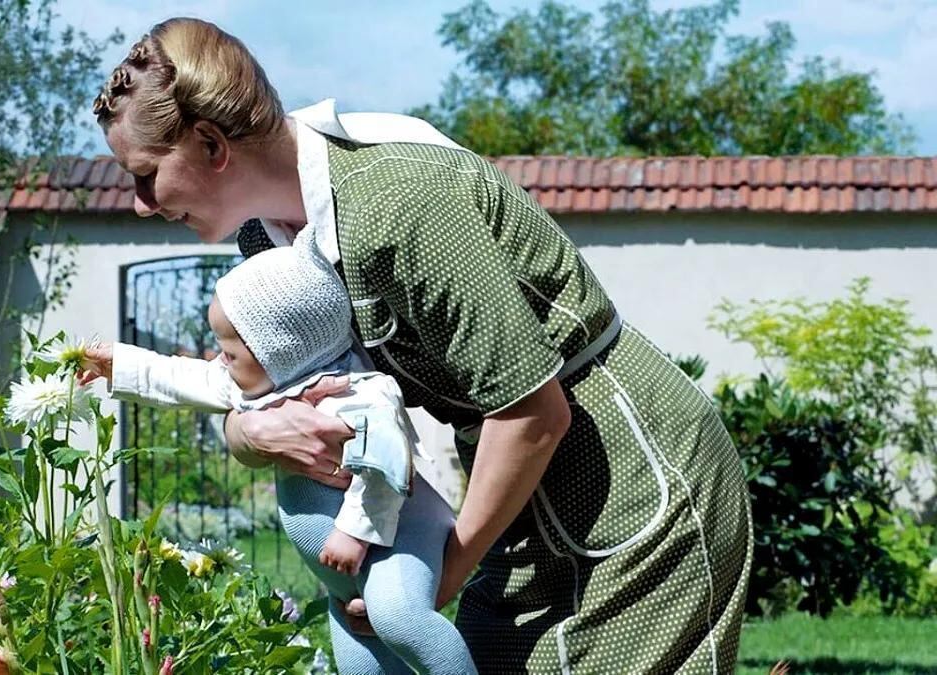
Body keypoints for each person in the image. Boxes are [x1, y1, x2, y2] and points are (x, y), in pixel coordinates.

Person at [84, 17, 753, 674]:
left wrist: (425, 586)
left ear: (209, 143)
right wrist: (250, 434)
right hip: (520, 494)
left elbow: (532, 414)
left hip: (629, 474)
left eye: (147, 174)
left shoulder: (398, 204)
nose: (142, 203)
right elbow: (256, 391)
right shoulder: (267, 245)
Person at [93, 226, 477, 673]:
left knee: (399, 616)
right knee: (359, 665)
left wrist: (354, 532)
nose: (220, 361)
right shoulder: (263, 384)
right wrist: (116, 364)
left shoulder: (358, 393)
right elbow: (185, 378)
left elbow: (385, 462)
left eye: (230, 352)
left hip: (395, 540)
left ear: (281, 349)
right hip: (346, 575)